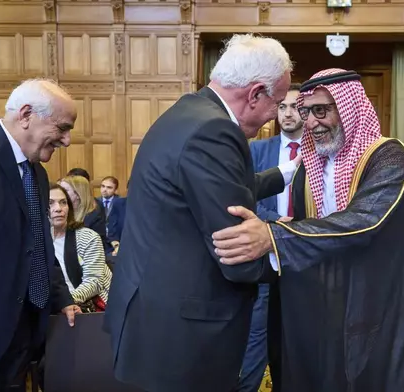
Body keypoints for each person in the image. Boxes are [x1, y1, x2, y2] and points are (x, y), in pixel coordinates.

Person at [212, 68, 404, 391]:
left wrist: (274, 236)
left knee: (372, 375)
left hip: (376, 297)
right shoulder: (312, 162)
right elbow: (305, 223)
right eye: (306, 111)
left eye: (321, 110)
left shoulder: (388, 156)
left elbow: (364, 221)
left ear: (348, 108)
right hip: (324, 299)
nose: (311, 122)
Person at [104, 34, 297, 392]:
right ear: (255, 93)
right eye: (279, 102)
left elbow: (204, 189)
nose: (278, 114)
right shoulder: (215, 131)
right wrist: (292, 246)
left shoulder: (189, 111)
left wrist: (284, 175)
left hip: (155, 317)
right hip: (185, 336)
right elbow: (236, 255)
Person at [0, 79, 81, 391]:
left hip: (23, 334)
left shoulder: (37, 173)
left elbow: (37, 245)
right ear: (26, 115)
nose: (67, 141)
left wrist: (61, 298)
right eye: (62, 128)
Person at [236, 83, 303, 392]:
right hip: (265, 257)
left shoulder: (321, 154)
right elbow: (246, 198)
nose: (287, 113)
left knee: (299, 338)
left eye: (295, 107)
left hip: (305, 257)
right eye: (282, 107)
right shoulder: (257, 149)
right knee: (256, 338)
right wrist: (278, 222)